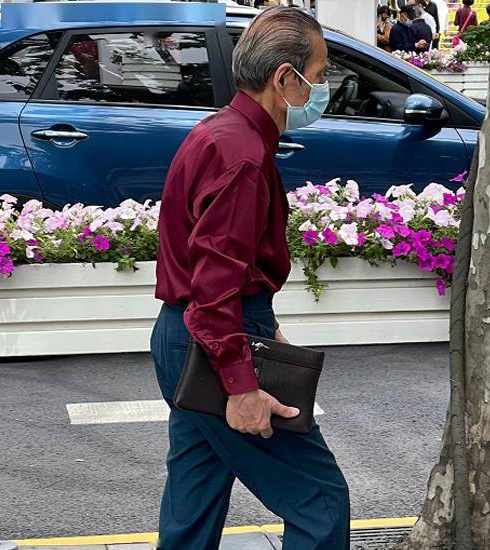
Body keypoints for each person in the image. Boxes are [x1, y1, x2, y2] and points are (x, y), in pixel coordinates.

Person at [151, 7, 350, 550]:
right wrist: (241, 386)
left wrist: (266, 324)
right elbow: (213, 285)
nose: (324, 85)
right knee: (320, 499)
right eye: (321, 71)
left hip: (188, 336)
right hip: (214, 340)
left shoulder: (221, 133)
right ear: (285, 78)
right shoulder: (240, 155)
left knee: (195, 502)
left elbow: (217, 265)